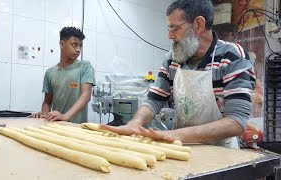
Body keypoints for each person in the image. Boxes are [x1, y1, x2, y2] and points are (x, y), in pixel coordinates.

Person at [101, 0, 255, 149]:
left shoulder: (232, 56)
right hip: (180, 146)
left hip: (221, 150)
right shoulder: (173, 58)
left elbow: (236, 122)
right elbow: (154, 100)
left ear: (198, 24)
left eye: (174, 28)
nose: (170, 35)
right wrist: (135, 123)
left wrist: (176, 135)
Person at [30, 27, 95, 123]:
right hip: (56, 126)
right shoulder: (50, 72)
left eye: (80, 46)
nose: (78, 50)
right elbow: (47, 102)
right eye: (74, 45)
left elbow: (86, 95)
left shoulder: (85, 66)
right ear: (62, 44)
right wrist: (43, 114)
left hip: (78, 129)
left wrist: (65, 116)